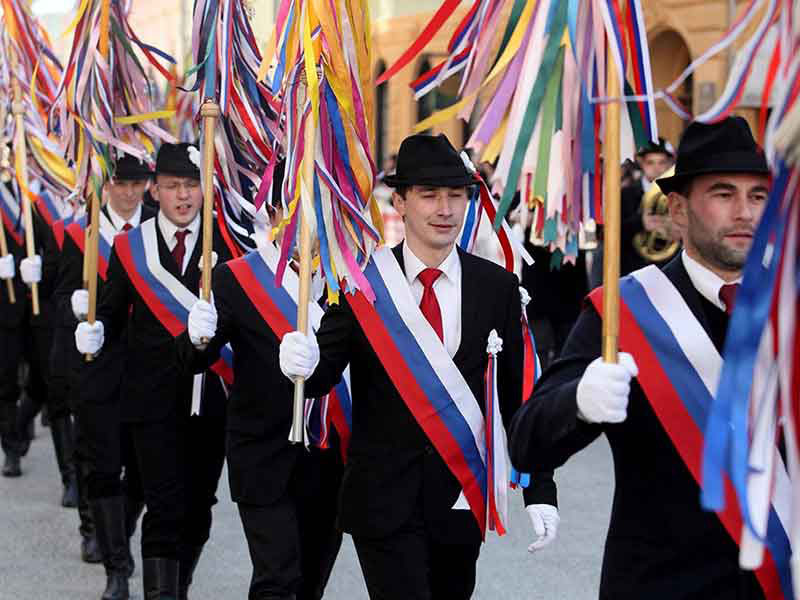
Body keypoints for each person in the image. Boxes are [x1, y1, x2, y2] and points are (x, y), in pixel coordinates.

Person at [280, 133, 559, 600]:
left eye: (456, 195)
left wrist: (540, 488)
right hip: (382, 500)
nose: (445, 209)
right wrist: (298, 363)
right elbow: (321, 376)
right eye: (429, 195)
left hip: (460, 498)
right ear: (400, 202)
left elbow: (519, 398)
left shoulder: (497, 287)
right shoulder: (362, 283)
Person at [509, 117, 775, 599]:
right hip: (661, 583)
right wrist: (579, 402)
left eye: (758, 195)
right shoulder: (624, 311)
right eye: (723, 194)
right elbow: (528, 443)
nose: (745, 212)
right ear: (677, 210)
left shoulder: (788, 307)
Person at [181, 161, 344, 600]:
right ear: (272, 213)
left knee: (311, 580)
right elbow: (197, 359)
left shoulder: (349, 279)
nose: (306, 218)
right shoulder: (237, 278)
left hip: (328, 460)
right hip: (263, 454)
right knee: (277, 578)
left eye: (317, 205)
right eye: (294, 206)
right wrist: (197, 336)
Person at [75, 143, 231, 600]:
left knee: (198, 508)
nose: (183, 196)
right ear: (155, 191)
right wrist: (94, 328)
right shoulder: (131, 248)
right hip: (151, 399)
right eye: (172, 186)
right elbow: (111, 311)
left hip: (208, 397)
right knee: (163, 507)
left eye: (191, 185)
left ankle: (178, 588)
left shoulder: (225, 243)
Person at [56, 153, 155, 598]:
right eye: (121, 183)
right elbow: (59, 296)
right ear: (106, 185)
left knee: (141, 471)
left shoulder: (154, 229)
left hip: (147, 369)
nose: (130, 192)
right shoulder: (84, 233)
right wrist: (74, 307)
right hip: (98, 366)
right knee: (101, 463)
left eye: (137, 183)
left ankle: (119, 530)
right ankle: (114, 562)